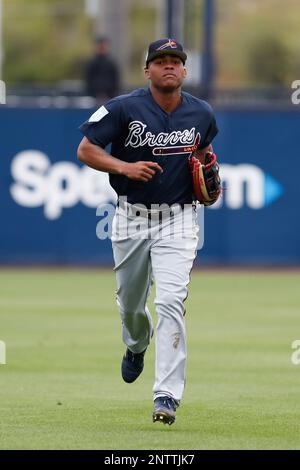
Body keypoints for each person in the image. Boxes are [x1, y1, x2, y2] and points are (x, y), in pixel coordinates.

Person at [77, 38, 218, 425]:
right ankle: (136, 345)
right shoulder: (124, 108)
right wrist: (124, 167)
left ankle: (166, 397)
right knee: (131, 307)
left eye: (176, 61)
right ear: (148, 70)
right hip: (130, 217)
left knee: (170, 303)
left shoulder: (202, 113)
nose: (169, 66)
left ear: (185, 70)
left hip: (179, 219)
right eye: (161, 61)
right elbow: (86, 149)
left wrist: (206, 171)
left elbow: (203, 154)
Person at [84, 36, 120, 101]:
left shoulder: (111, 63)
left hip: (109, 98)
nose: (102, 48)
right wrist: (96, 94)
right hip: (93, 98)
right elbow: (88, 81)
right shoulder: (91, 63)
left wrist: (110, 94)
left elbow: (116, 81)